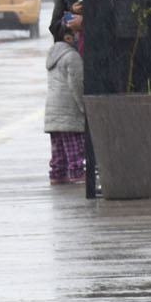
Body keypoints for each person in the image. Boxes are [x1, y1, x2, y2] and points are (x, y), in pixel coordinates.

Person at [45, 16, 86, 185]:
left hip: (53, 110)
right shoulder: (72, 57)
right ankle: (76, 172)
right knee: (73, 144)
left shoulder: (53, 55)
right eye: (76, 33)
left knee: (58, 146)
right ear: (69, 37)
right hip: (69, 108)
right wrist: (83, 106)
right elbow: (76, 84)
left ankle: (58, 173)